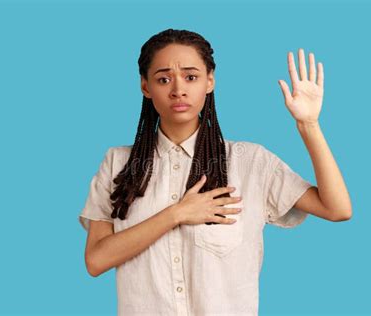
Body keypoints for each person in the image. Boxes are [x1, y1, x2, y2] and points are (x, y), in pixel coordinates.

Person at [78, 28, 352, 315]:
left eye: (191, 76)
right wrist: (177, 214)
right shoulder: (118, 163)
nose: (178, 89)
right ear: (145, 87)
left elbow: (337, 209)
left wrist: (308, 125)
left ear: (210, 81)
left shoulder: (251, 161)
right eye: (163, 79)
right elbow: (96, 260)